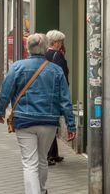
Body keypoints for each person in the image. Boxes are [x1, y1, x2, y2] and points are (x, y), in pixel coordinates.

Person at [0, 33, 75, 194]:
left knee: (29, 163)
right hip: (49, 121)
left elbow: (6, 90)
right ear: (46, 48)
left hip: (24, 120)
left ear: (28, 48)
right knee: (42, 160)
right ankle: (42, 189)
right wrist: (71, 125)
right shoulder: (56, 70)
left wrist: (0, 110)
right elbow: (65, 100)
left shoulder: (17, 67)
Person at [45, 30, 69, 166]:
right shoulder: (58, 55)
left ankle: (53, 153)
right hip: (56, 95)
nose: (61, 44)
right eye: (60, 41)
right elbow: (63, 77)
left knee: (51, 123)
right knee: (52, 124)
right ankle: (50, 154)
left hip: (46, 93)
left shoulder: (44, 54)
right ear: (56, 42)